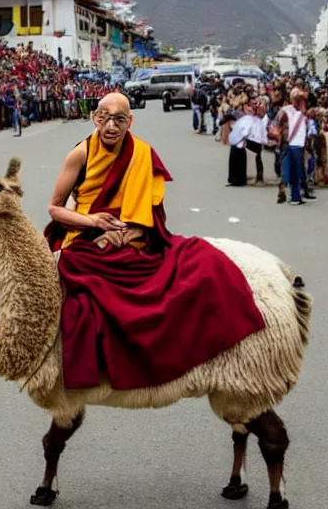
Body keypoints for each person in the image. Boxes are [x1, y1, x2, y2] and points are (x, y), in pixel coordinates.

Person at [44, 92, 265, 391]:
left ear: (130, 121)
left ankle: (185, 350)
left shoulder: (142, 153)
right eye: (104, 118)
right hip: (86, 237)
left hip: (132, 236)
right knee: (83, 292)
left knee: (201, 260)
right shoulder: (80, 154)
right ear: (95, 118)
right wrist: (95, 221)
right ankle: (106, 364)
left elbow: (151, 211)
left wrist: (132, 233)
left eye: (119, 119)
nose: (111, 126)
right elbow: (55, 208)